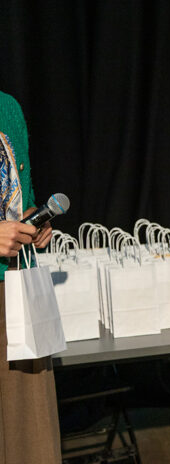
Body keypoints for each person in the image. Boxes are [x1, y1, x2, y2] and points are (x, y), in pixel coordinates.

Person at [0, 90, 60, 463]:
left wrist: (35, 223)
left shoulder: (7, 107)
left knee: (28, 434)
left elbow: (23, 197)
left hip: (14, 288)